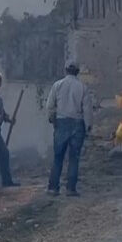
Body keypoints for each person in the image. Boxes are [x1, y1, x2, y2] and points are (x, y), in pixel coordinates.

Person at [46, 62, 93, 197]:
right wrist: (88, 126)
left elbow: (50, 105)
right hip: (77, 124)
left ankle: (53, 188)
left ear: (65, 70)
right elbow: (87, 109)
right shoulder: (82, 87)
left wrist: (52, 120)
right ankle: (70, 189)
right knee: (74, 158)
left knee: (58, 157)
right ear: (77, 72)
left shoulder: (57, 85)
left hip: (61, 122)